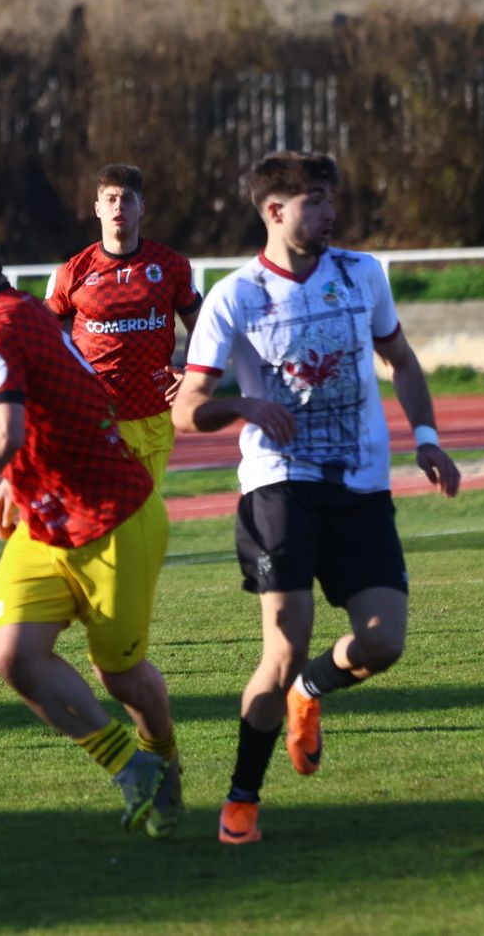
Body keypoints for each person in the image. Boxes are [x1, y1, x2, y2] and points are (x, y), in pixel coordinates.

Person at [171, 151, 462, 846]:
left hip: (361, 483)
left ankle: (311, 691)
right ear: (274, 211)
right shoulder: (235, 296)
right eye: (315, 202)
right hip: (278, 485)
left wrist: (426, 436)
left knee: (384, 641)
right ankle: (242, 797)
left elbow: (401, 356)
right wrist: (244, 405)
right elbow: (188, 411)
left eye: (331, 199)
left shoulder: (362, 273)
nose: (330, 213)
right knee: (284, 641)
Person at [0, 215, 183, 838]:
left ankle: (164, 759)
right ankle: (131, 767)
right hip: (46, 524)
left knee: (121, 675)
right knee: (16, 655)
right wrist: (14, 479)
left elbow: (3, 433)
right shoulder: (26, 310)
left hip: (116, 518)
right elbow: (75, 396)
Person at [46, 163, 202, 484]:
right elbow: (41, 337)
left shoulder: (170, 266)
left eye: (128, 199)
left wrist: (194, 375)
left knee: (146, 514)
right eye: (111, 199)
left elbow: (206, 329)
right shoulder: (73, 273)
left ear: (141, 207)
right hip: (96, 415)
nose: (119, 206)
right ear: (98, 208)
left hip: (154, 413)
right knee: (106, 514)